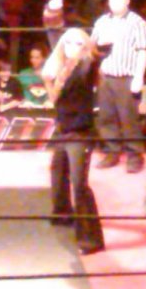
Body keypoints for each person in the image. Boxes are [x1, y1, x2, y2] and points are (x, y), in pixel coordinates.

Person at [43, 29, 103, 254]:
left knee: (79, 184)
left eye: (78, 43)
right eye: (68, 43)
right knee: (58, 171)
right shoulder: (63, 69)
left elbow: (93, 62)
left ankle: (91, 239)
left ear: (85, 47)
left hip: (80, 133)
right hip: (63, 130)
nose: (72, 47)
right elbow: (54, 99)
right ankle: (62, 214)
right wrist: (48, 80)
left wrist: (94, 52)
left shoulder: (84, 67)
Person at [90, 0, 146, 173]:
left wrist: (139, 77)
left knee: (129, 119)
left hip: (126, 76)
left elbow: (143, 50)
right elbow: (91, 47)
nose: (114, 2)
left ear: (127, 1)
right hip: (105, 76)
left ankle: (134, 155)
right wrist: (98, 48)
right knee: (106, 117)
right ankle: (112, 152)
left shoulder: (137, 22)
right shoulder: (102, 22)